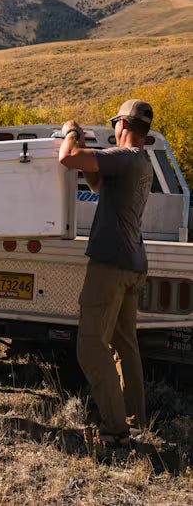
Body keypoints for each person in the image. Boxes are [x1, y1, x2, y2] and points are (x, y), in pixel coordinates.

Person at [58, 99, 154, 445]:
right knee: (125, 344)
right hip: (132, 263)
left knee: (90, 345)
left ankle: (115, 429)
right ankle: (134, 421)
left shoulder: (123, 157)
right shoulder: (141, 162)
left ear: (123, 125)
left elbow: (67, 158)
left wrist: (70, 132)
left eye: (115, 122)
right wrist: (85, 149)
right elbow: (98, 185)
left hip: (110, 264)